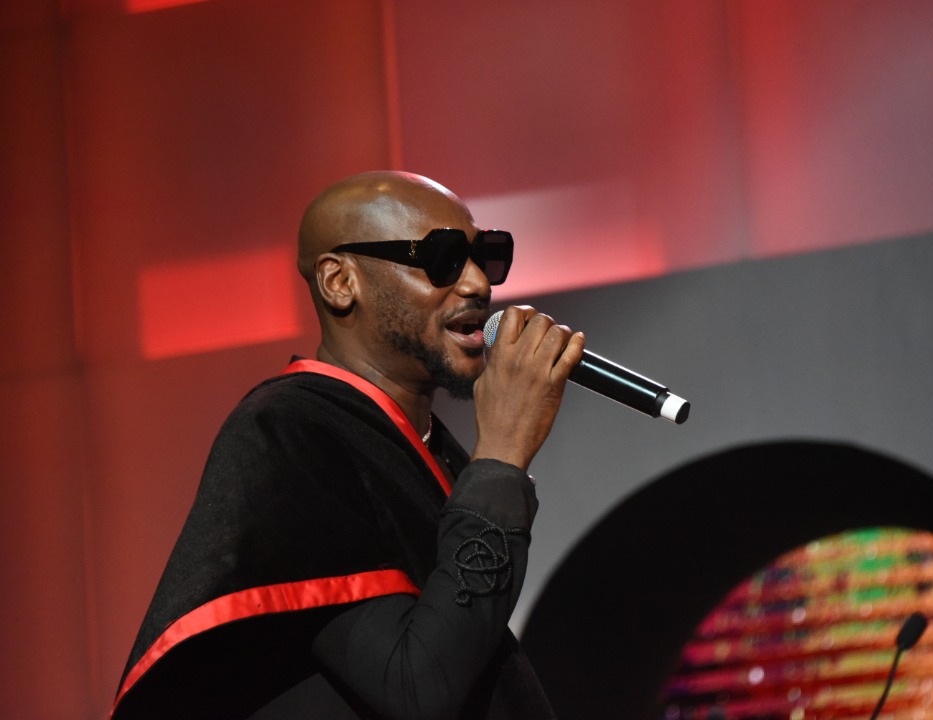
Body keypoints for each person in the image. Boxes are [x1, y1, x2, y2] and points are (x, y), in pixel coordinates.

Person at [111, 171, 585, 719]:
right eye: (444, 258)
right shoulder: (289, 431)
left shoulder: (427, 446)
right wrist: (501, 455)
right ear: (339, 282)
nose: (479, 283)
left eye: (486, 256)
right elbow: (418, 687)